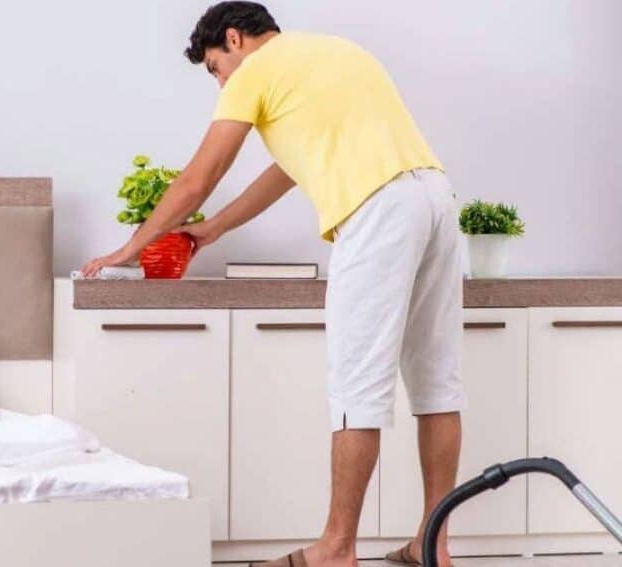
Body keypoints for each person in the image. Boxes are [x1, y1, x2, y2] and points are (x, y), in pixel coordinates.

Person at [80, 2, 465, 566]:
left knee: (357, 391)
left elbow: (196, 178)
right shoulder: (334, 53)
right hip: (434, 198)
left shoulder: (255, 70)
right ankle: (437, 546)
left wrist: (127, 250)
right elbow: (284, 172)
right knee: (437, 386)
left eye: (215, 67)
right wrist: (211, 231)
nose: (220, 80)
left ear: (234, 39)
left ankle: (336, 549)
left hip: (378, 212)